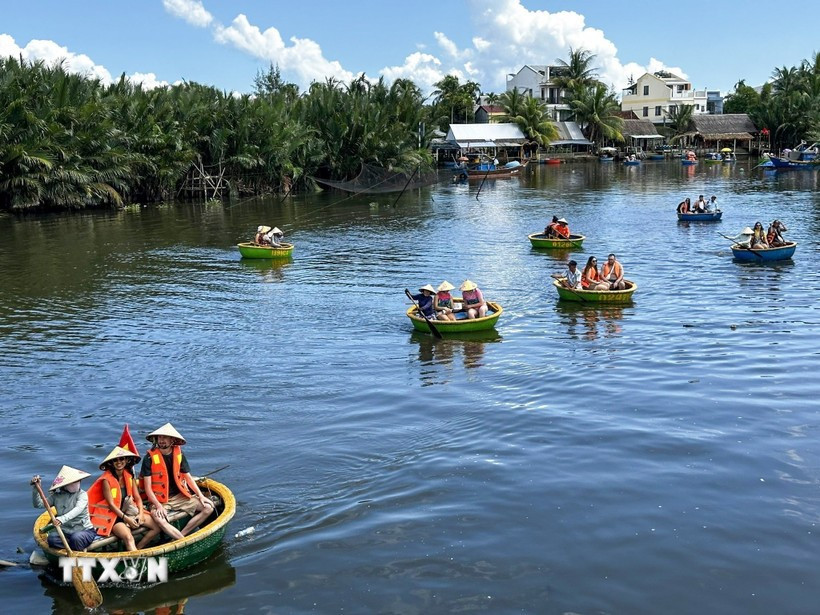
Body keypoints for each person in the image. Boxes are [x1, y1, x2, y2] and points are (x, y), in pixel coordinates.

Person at [88, 446, 180, 551]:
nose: (119, 462)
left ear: (126, 460)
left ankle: (139, 548)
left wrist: (140, 514)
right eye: (115, 460)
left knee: (157, 527)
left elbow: (138, 498)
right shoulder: (106, 480)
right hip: (114, 517)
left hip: (130, 510)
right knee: (129, 538)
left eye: (121, 459)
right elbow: (111, 505)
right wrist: (126, 519)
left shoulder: (129, 476)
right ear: (111, 463)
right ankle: (136, 559)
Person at [140, 423, 215, 537]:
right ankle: (182, 539)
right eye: (159, 437)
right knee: (159, 519)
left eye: (165, 437)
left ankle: (180, 536)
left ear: (172, 440)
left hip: (180, 496)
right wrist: (158, 505)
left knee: (208, 508)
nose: (161, 440)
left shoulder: (179, 454)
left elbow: (188, 478)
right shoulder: (149, 458)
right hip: (160, 500)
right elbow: (147, 487)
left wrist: (201, 496)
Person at [31, 466, 98, 551]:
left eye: (77, 481)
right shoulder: (56, 496)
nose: (76, 484)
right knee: (52, 539)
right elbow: (39, 504)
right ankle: (71, 545)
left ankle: (75, 550)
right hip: (65, 532)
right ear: (65, 485)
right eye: (72, 482)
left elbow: (78, 509)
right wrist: (36, 489)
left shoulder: (82, 495)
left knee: (76, 538)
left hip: (84, 530)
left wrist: (61, 519)